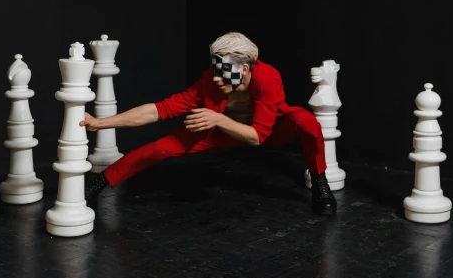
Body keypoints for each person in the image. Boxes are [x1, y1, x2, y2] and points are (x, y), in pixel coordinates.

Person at [81, 32, 337, 215]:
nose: (216, 78)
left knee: (307, 122)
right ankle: (99, 184)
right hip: (219, 133)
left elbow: (258, 137)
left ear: (246, 69)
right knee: (159, 148)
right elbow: (160, 110)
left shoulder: (268, 78)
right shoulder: (209, 80)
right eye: (215, 69)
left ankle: (320, 182)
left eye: (223, 70)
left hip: (268, 131)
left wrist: (218, 118)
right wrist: (101, 123)